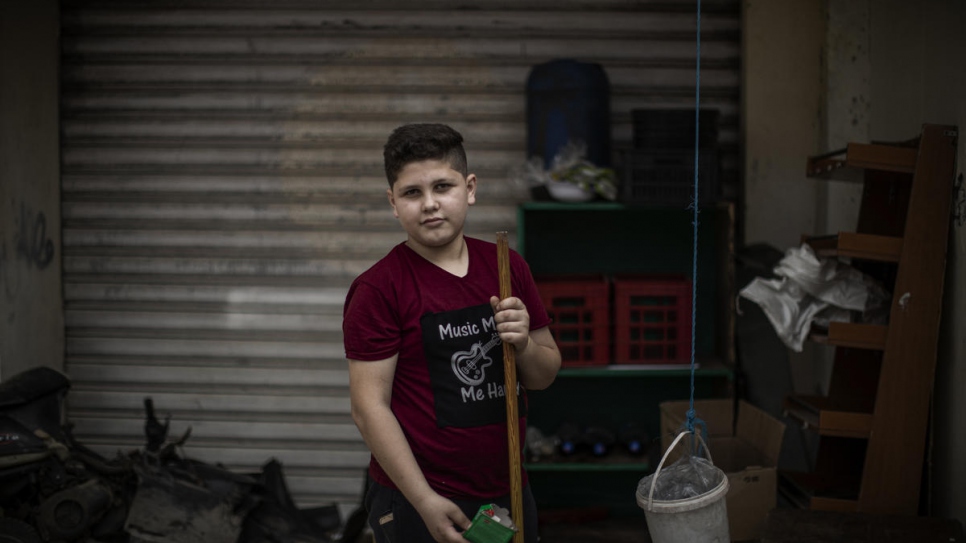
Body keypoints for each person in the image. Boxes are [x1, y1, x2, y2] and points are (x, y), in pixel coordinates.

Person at [342, 123, 561, 543]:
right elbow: (369, 409)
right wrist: (424, 500)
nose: (430, 204)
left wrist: (525, 343)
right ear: (393, 202)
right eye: (411, 193)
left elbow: (544, 375)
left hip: (507, 491)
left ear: (470, 188)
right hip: (416, 497)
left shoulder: (506, 266)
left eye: (443, 186)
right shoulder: (379, 288)